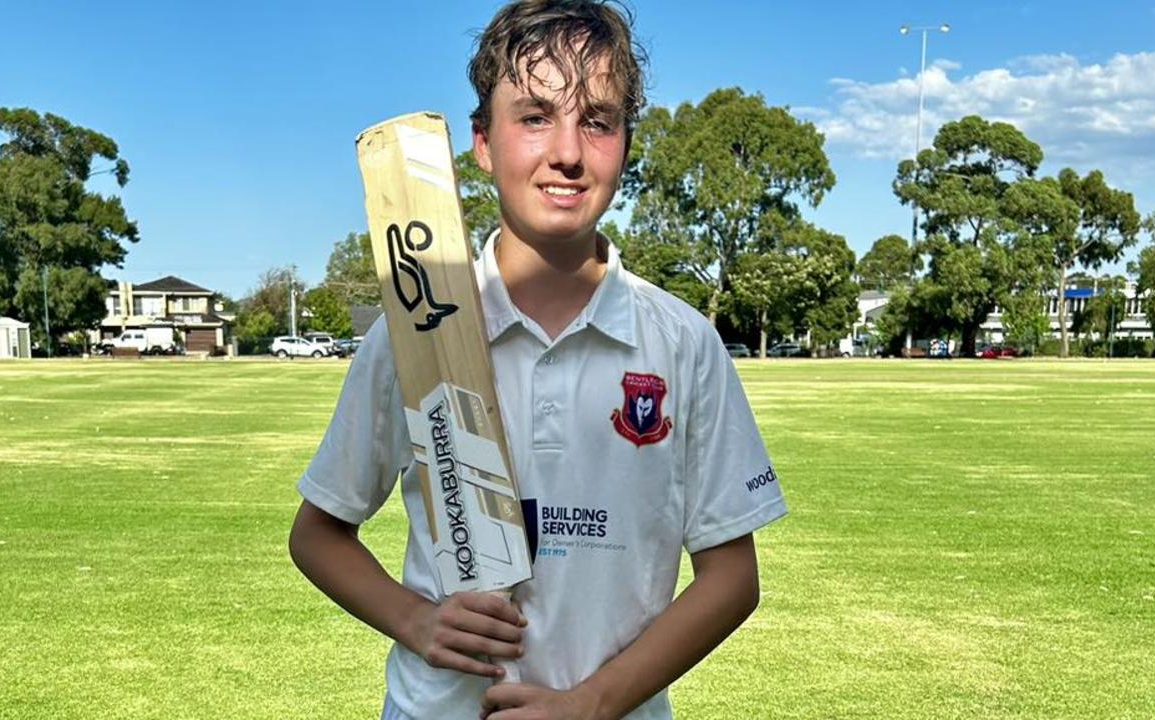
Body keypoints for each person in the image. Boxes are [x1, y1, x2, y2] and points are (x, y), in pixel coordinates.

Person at [288, 2, 787, 718]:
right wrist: (416, 620)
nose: (568, 153)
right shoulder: (414, 330)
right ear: (483, 143)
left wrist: (591, 703)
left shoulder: (681, 341)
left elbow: (732, 578)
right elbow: (318, 534)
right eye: (534, 116)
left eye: (598, 120)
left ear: (626, 142)